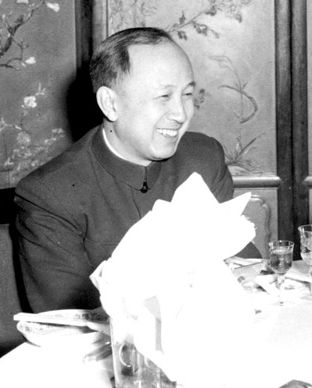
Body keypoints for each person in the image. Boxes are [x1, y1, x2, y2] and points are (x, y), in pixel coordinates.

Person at [14, 27, 259, 312]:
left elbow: (246, 267)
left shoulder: (203, 158)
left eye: (187, 94)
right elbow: (70, 320)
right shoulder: (50, 194)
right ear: (110, 103)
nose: (181, 114)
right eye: (164, 96)